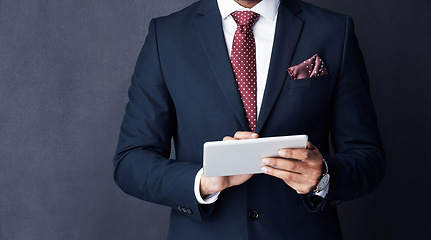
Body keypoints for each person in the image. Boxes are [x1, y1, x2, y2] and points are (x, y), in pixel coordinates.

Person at [113, 0, 385, 239]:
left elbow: (368, 156)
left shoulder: (334, 31)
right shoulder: (167, 36)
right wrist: (203, 182)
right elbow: (131, 161)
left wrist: (322, 177)